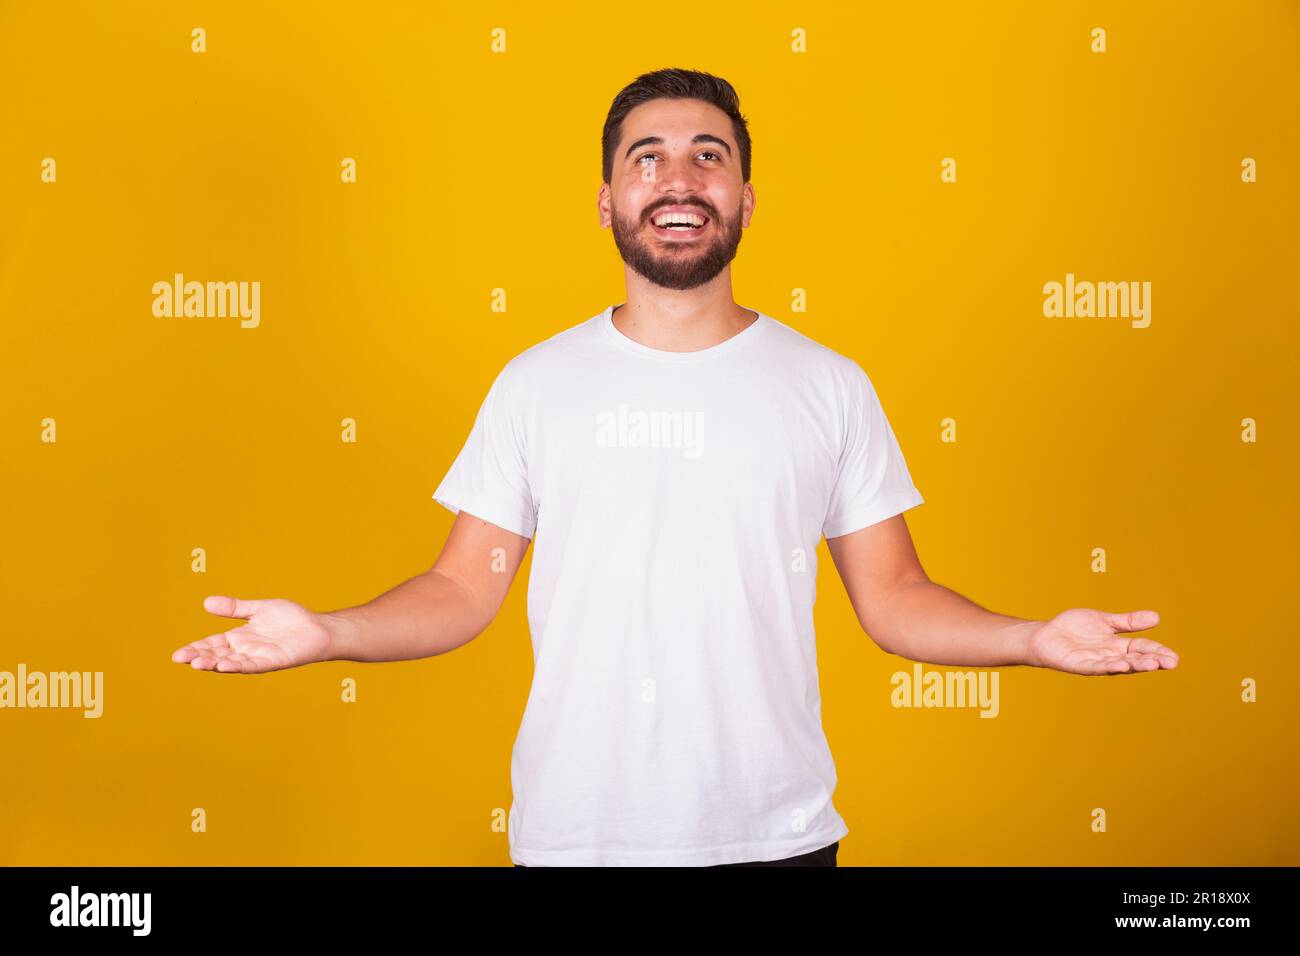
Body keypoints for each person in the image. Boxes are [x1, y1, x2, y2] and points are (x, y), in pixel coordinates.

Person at [171, 68, 1179, 868]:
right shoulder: (536, 383)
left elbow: (897, 597)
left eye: (708, 155)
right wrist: (328, 630)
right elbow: (456, 591)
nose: (679, 177)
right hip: (576, 841)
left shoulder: (827, 384)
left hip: (778, 837)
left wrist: (1032, 637)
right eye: (646, 158)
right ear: (607, 201)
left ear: (745, 194)